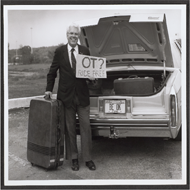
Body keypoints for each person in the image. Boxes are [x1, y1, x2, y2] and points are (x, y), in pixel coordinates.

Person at [45, 23, 96, 171]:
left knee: (86, 128)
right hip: (66, 98)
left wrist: (93, 78)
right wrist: (48, 90)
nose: (73, 36)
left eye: (75, 34)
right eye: (71, 34)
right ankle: (74, 158)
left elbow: (91, 73)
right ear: (67, 35)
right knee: (70, 129)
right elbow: (52, 72)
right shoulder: (60, 51)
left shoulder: (85, 51)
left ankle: (88, 159)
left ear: (78, 36)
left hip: (82, 96)